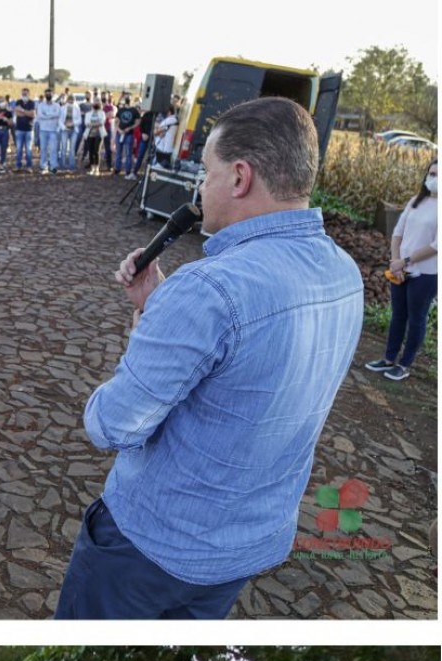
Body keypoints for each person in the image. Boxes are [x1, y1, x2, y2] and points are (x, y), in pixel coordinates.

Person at [55, 98, 363, 620]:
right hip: (245, 547)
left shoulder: (209, 289)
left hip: (150, 547)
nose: (201, 186)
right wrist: (161, 306)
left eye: (207, 171)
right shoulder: (344, 274)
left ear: (240, 177)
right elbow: (243, 371)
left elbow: (112, 425)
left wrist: (157, 319)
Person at [367, 159, 437, 382]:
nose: (432, 179)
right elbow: (398, 232)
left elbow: (436, 246)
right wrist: (395, 261)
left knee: (416, 319)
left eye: (437, 175)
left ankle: (404, 364)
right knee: (398, 316)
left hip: (425, 274)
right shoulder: (415, 202)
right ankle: (388, 359)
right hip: (400, 270)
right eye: (431, 173)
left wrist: (404, 261)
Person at [34, 89, 62, 175]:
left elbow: (57, 114)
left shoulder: (57, 105)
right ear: (44, 94)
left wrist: (47, 115)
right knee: (43, 149)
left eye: (49, 93)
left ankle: (53, 167)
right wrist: (51, 115)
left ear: (52, 95)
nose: (48, 95)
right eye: (46, 93)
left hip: (53, 130)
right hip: (43, 130)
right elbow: (40, 116)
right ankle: (43, 166)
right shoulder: (41, 105)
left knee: (53, 149)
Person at [13, 89, 36, 171]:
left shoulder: (32, 103)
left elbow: (32, 114)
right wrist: (27, 112)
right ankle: (18, 165)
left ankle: (29, 166)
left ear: (29, 94)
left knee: (28, 149)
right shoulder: (18, 102)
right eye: (23, 94)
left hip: (29, 129)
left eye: (25, 94)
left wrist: (22, 111)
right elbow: (17, 113)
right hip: (19, 129)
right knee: (19, 149)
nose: (24, 95)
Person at [0, 97, 14, 172]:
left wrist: (6, 120)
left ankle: (2, 164)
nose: (2, 103)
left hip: (5, 130)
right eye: (0, 102)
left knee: (4, 148)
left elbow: (11, 123)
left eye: (3, 101)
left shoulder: (9, 112)